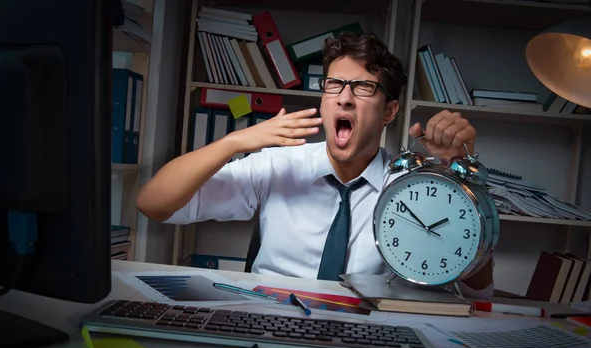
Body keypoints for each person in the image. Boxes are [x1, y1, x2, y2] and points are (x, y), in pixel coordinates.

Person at [136, 32, 494, 298]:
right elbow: (153, 204)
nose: (345, 98)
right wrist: (234, 142)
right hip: (269, 320)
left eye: (363, 88)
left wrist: (462, 182)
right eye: (334, 85)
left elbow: (478, 289)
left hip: (366, 332)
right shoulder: (278, 164)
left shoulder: (417, 189)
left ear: (389, 111)